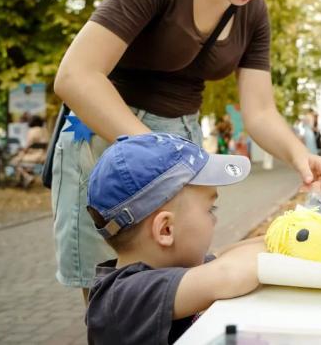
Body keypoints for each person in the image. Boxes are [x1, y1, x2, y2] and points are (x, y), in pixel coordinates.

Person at [52, 0, 321, 297]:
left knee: (175, 281)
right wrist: (155, 154)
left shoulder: (252, 12)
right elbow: (76, 75)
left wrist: (300, 155)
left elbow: (259, 111)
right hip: (111, 139)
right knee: (111, 291)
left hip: (180, 140)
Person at [85, 132, 265, 345]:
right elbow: (230, 273)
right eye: (210, 209)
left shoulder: (169, 268)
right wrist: (297, 239)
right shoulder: (121, 298)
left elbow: (224, 256)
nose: (215, 219)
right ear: (166, 230)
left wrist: (281, 233)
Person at [12, 115, 50, 187]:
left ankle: (27, 177)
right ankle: (25, 178)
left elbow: (27, 146)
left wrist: (21, 151)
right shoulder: (45, 130)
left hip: (33, 157)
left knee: (14, 161)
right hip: (44, 156)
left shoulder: (32, 131)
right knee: (20, 161)